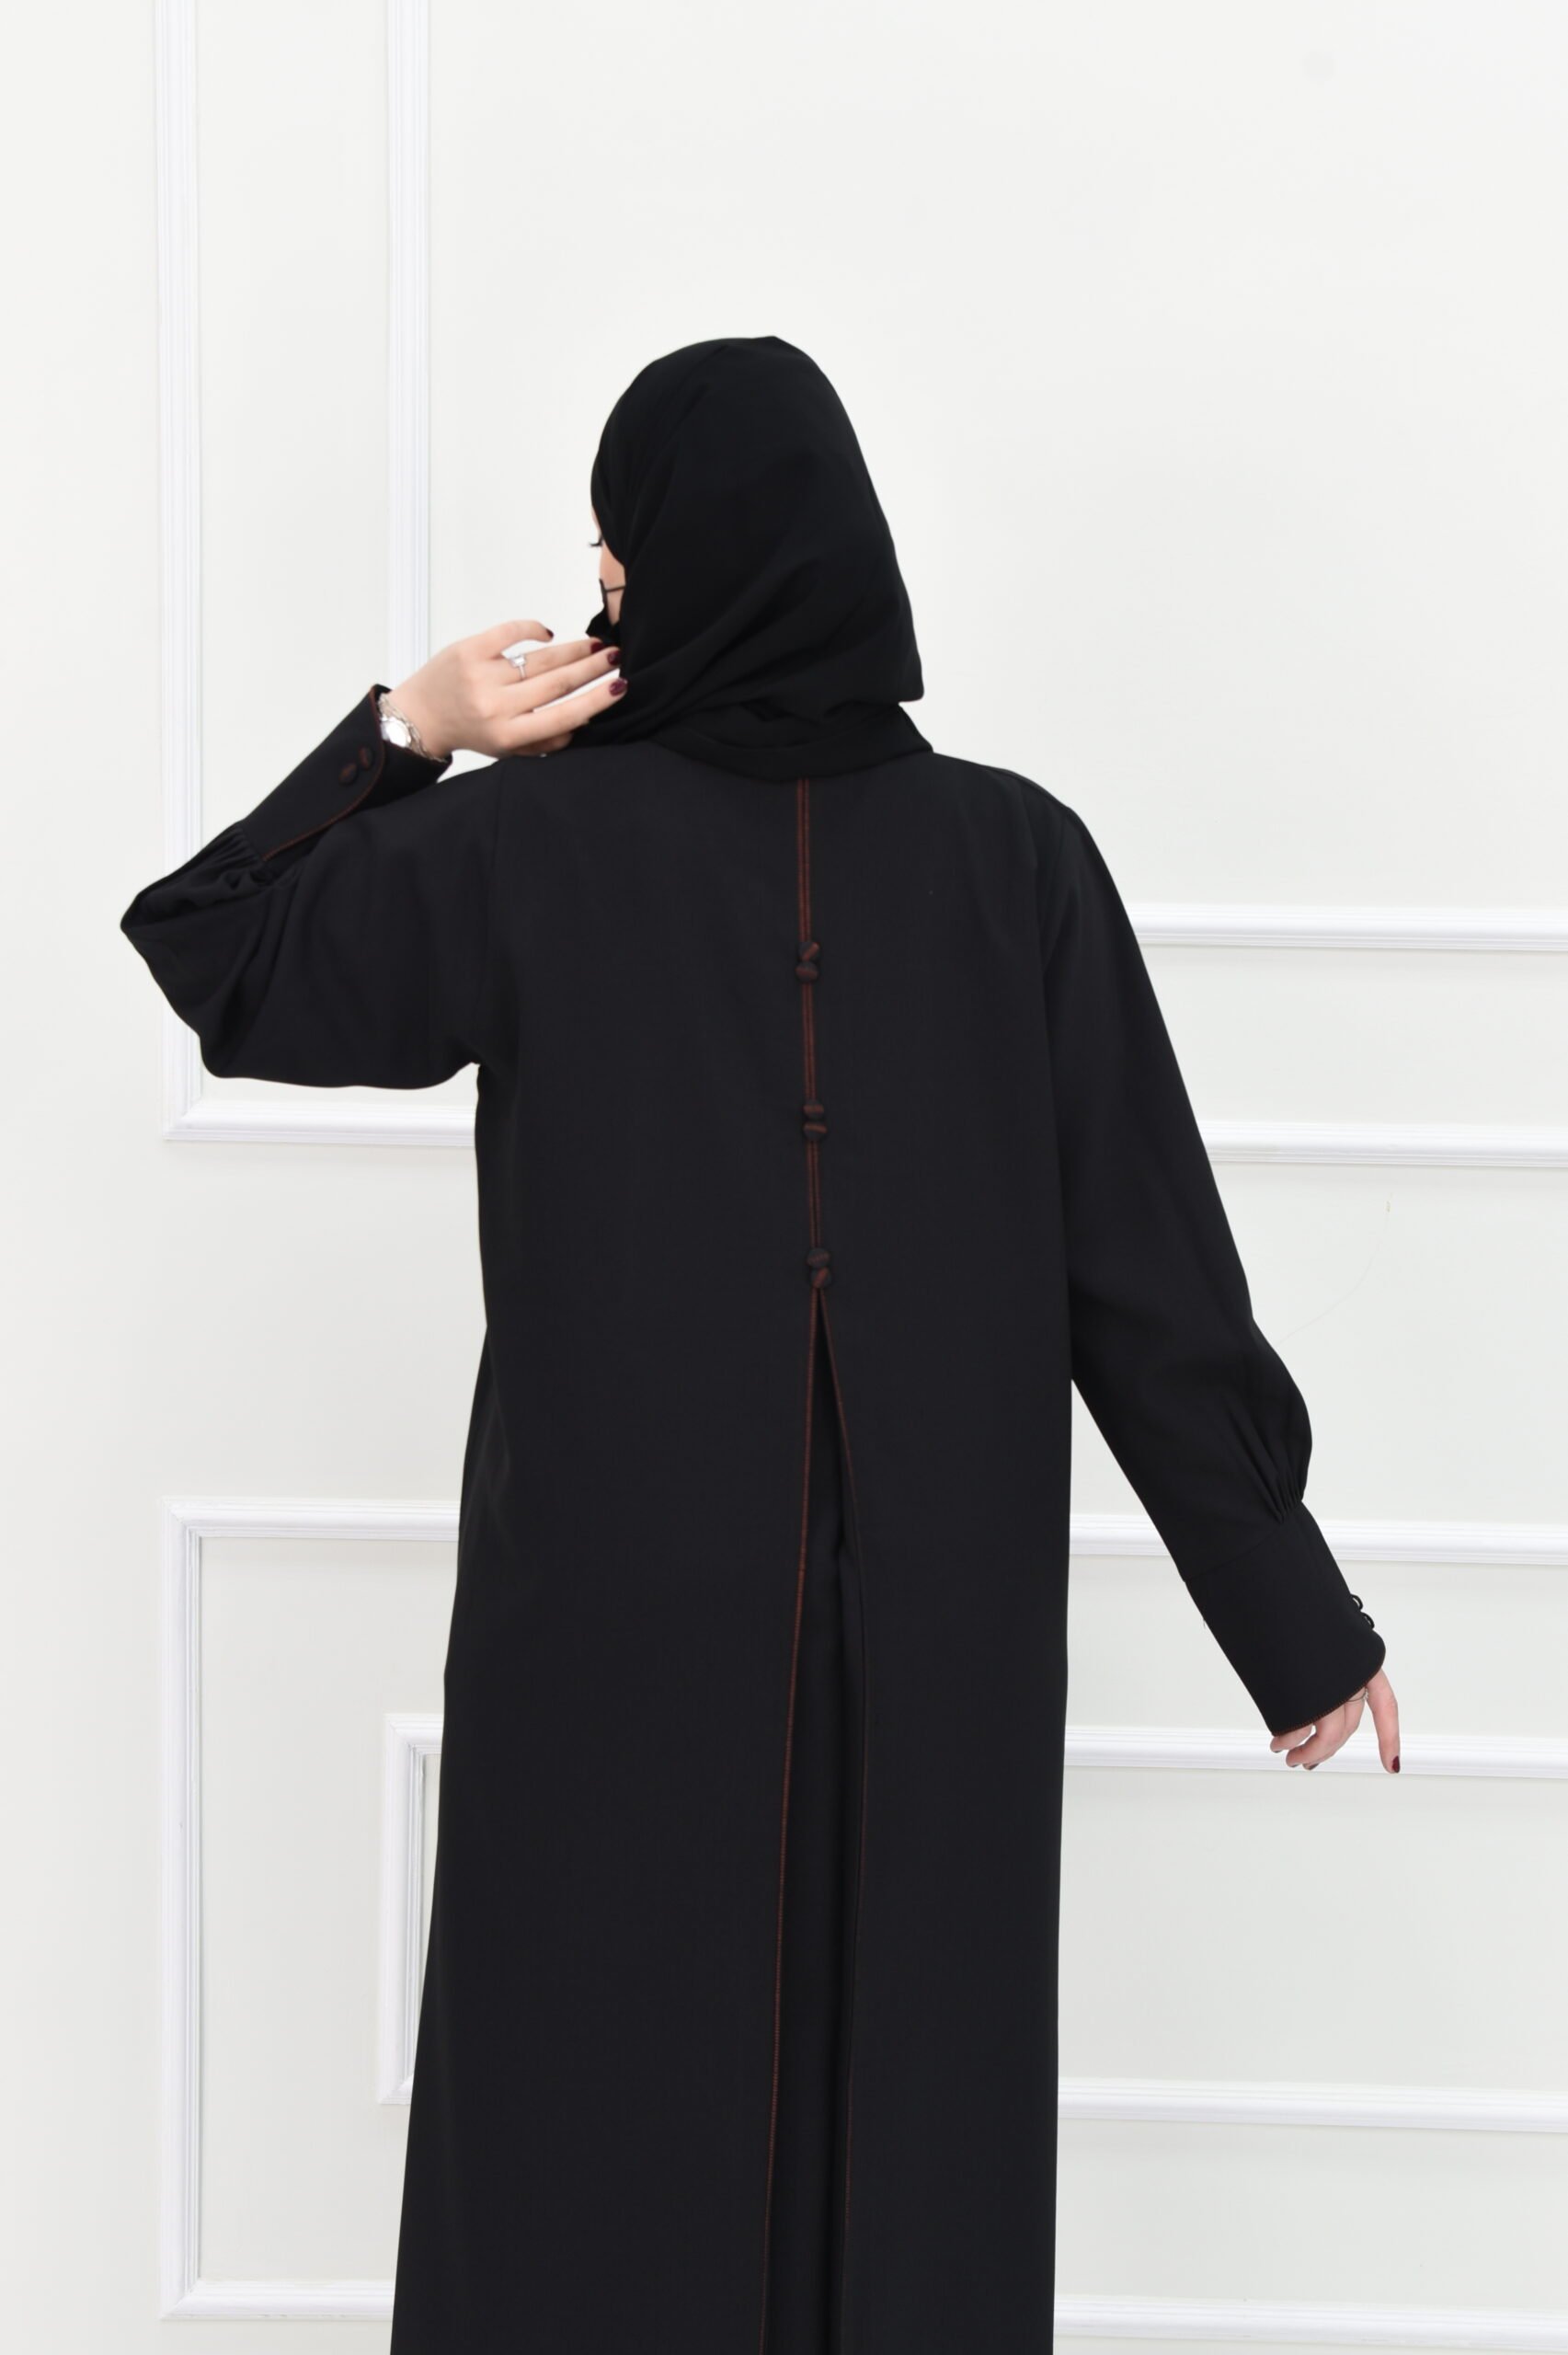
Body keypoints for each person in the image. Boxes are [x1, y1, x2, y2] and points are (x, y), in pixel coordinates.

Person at [119, 333, 1399, 2355]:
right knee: (884, 2144)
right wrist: (1289, 1607)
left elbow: (223, 943)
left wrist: (405, 727)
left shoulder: (543, 845)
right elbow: (1146, 1276)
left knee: (605, 2157)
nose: (600, 610)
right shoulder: (1008, 858)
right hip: (916, 1654)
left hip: (618, 1646)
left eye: (614, 570)